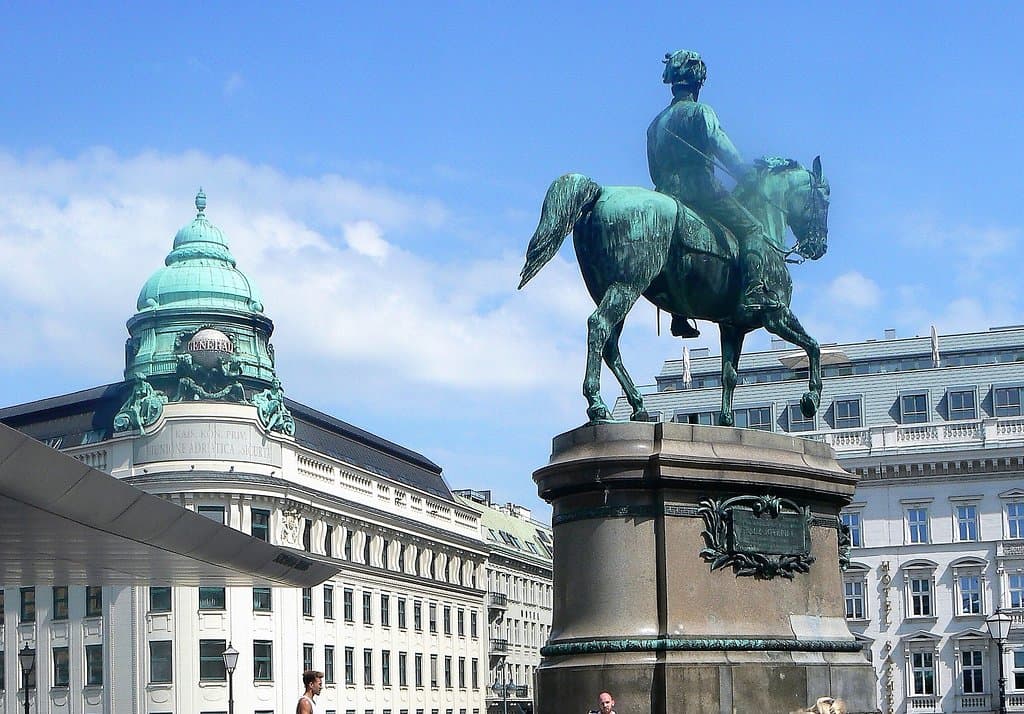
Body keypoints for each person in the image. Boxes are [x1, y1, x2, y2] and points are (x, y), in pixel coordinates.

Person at [646, 49, 774, 338]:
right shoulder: (701, 112)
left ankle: (678, 317)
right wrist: (746, 175)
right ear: (697, 82)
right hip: (701, 190)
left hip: (667, 194)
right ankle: (754, 291)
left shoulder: (654, 125)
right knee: (753, 228)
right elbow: (722, 146)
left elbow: (654, 169)